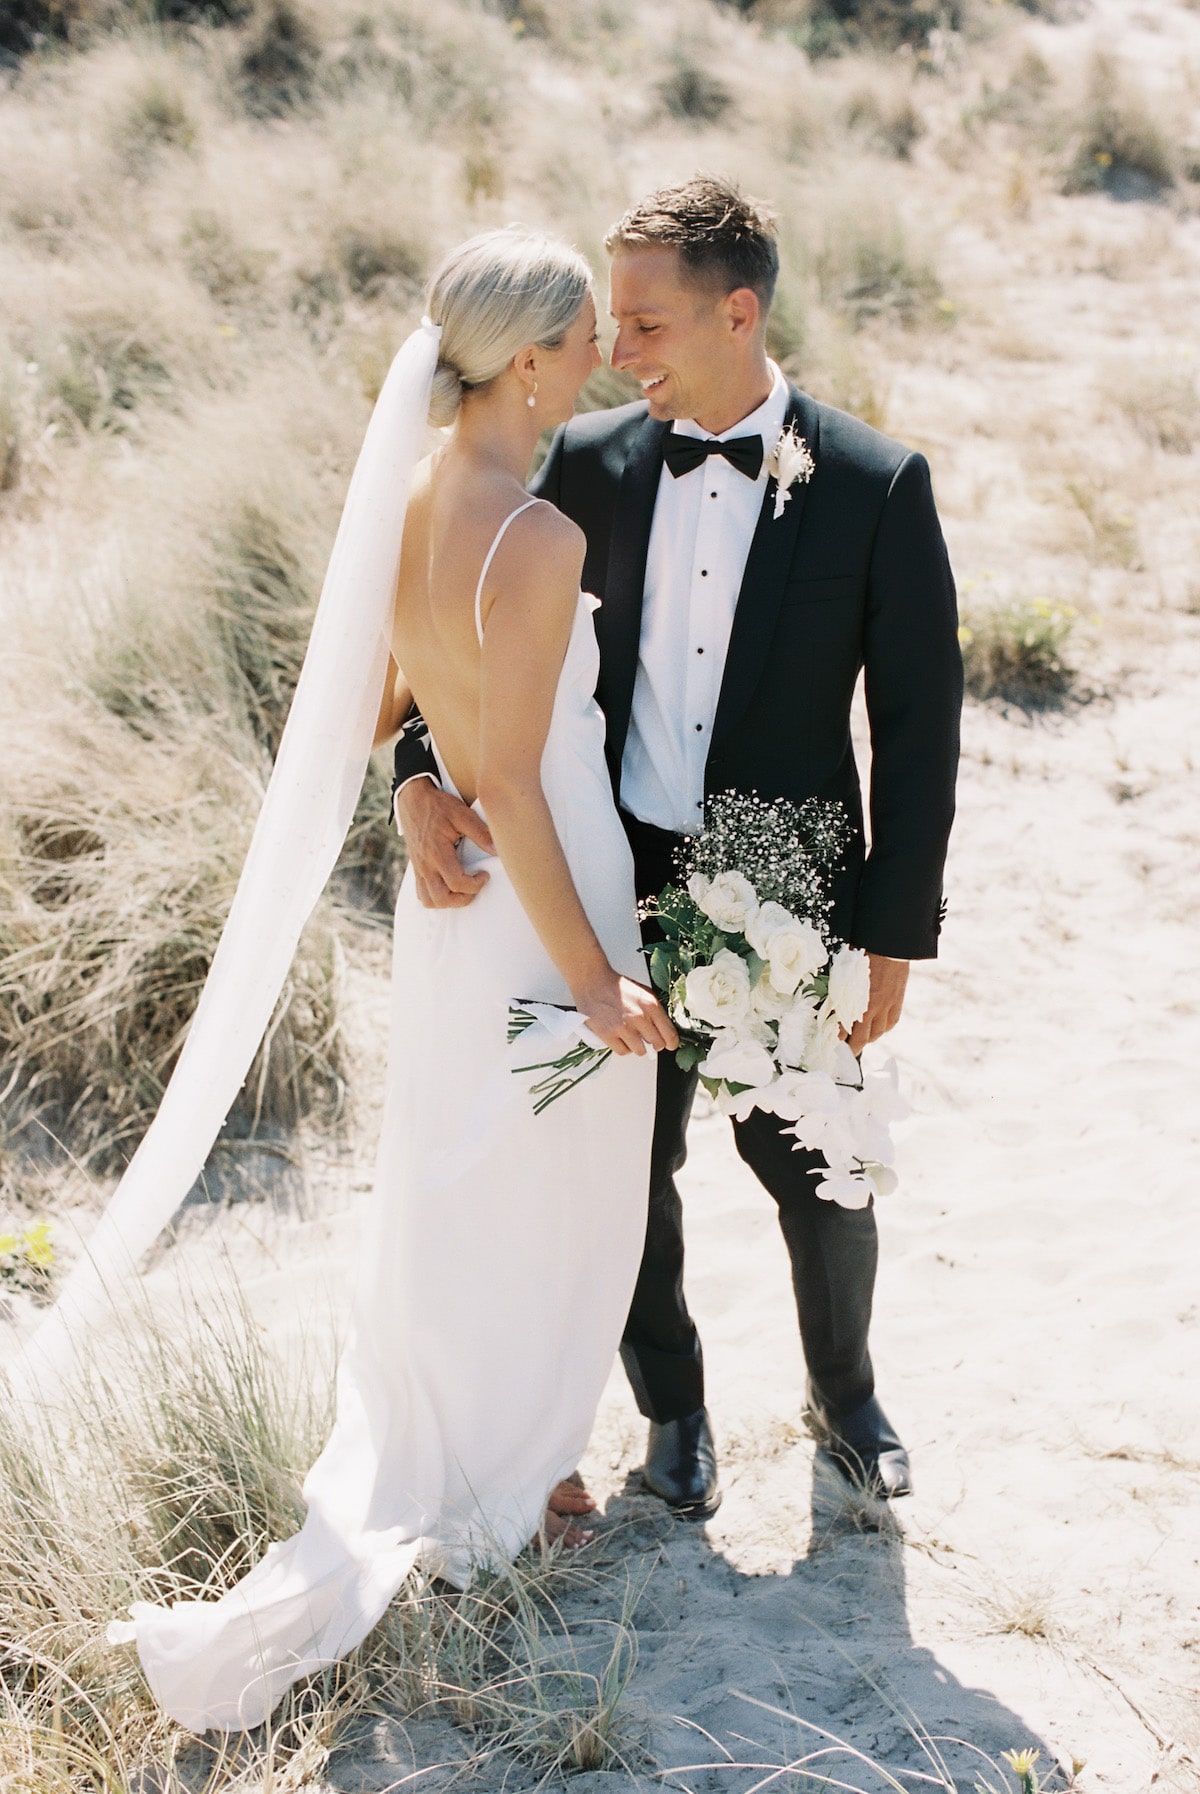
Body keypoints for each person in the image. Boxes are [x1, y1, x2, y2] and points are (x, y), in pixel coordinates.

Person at [102, 227, 676, 1732]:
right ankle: (507, 1470)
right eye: (580, 342)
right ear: (534, 360)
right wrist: (600, 980)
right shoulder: (536, 539)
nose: (600, 362)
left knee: (461, 1175)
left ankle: (505, 1449)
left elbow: (379, 718)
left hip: (451, 907)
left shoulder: (417, 499)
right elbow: (525, 787)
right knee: (550, 1186)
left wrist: (419, 785)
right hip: (533, 897)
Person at [394, 176, 964, 1514]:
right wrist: (418, 771)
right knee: (622, 1178)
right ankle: (675, 1416)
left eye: (643, 323)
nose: (613, 349)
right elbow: (470, 659)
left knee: (816, 1158)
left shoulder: (878, 485)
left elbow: (921, 727)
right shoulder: (584, 469)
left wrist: (893, 925)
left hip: (791, 892)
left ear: (740, 311)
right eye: (606, 323)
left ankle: (849, 1394)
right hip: (604, 878)